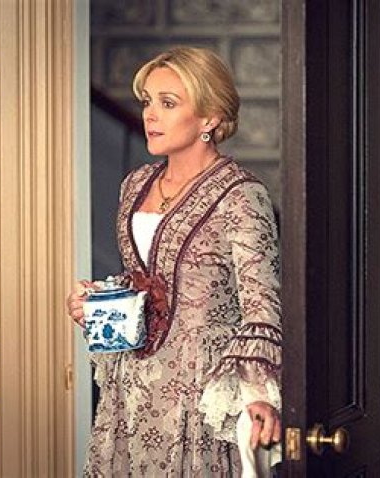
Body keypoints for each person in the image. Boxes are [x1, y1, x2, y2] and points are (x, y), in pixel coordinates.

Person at [66, 46, 282, 476]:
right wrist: (97, 302)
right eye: (147, 101)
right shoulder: (136, 184)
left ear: (210, 118)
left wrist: (260, 395)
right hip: (130, 384)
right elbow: (147, 278)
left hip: (197, 388)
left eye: (168, 103)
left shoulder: (242, 195)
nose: (150, 114)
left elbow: (262, 304)